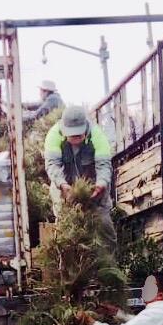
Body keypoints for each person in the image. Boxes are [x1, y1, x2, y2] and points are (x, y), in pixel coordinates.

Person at [44, 103, 116, 251]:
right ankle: (68, 257)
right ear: (64, 131)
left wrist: (101, 183)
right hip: (65, 185)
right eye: (72, 135)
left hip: (93, 186)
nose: (76, 138)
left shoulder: (97, 135)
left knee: (103, 224)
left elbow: (104, 165)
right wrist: (62, 185)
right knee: (66, 225)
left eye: (79, 134)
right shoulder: (53, 135)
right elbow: (53, 166)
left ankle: (109, 263)